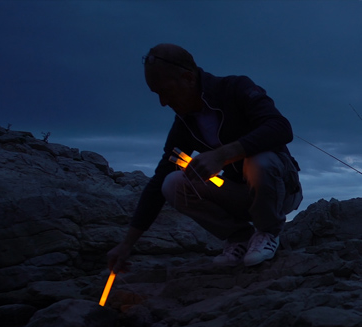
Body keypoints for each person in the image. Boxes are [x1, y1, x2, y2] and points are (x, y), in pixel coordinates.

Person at [107, 43, 302, 272]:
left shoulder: (236, 88)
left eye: (165, 91)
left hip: (281, 189)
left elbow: (281, 127)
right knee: (172, 183)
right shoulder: (185, 122)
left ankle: (268, 232)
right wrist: (127, 244)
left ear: (188, 78)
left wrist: (222, 155)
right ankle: (240, 238)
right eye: (156, 94)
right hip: (240, 195)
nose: (162, 102)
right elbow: (161, 176)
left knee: (259, 161)